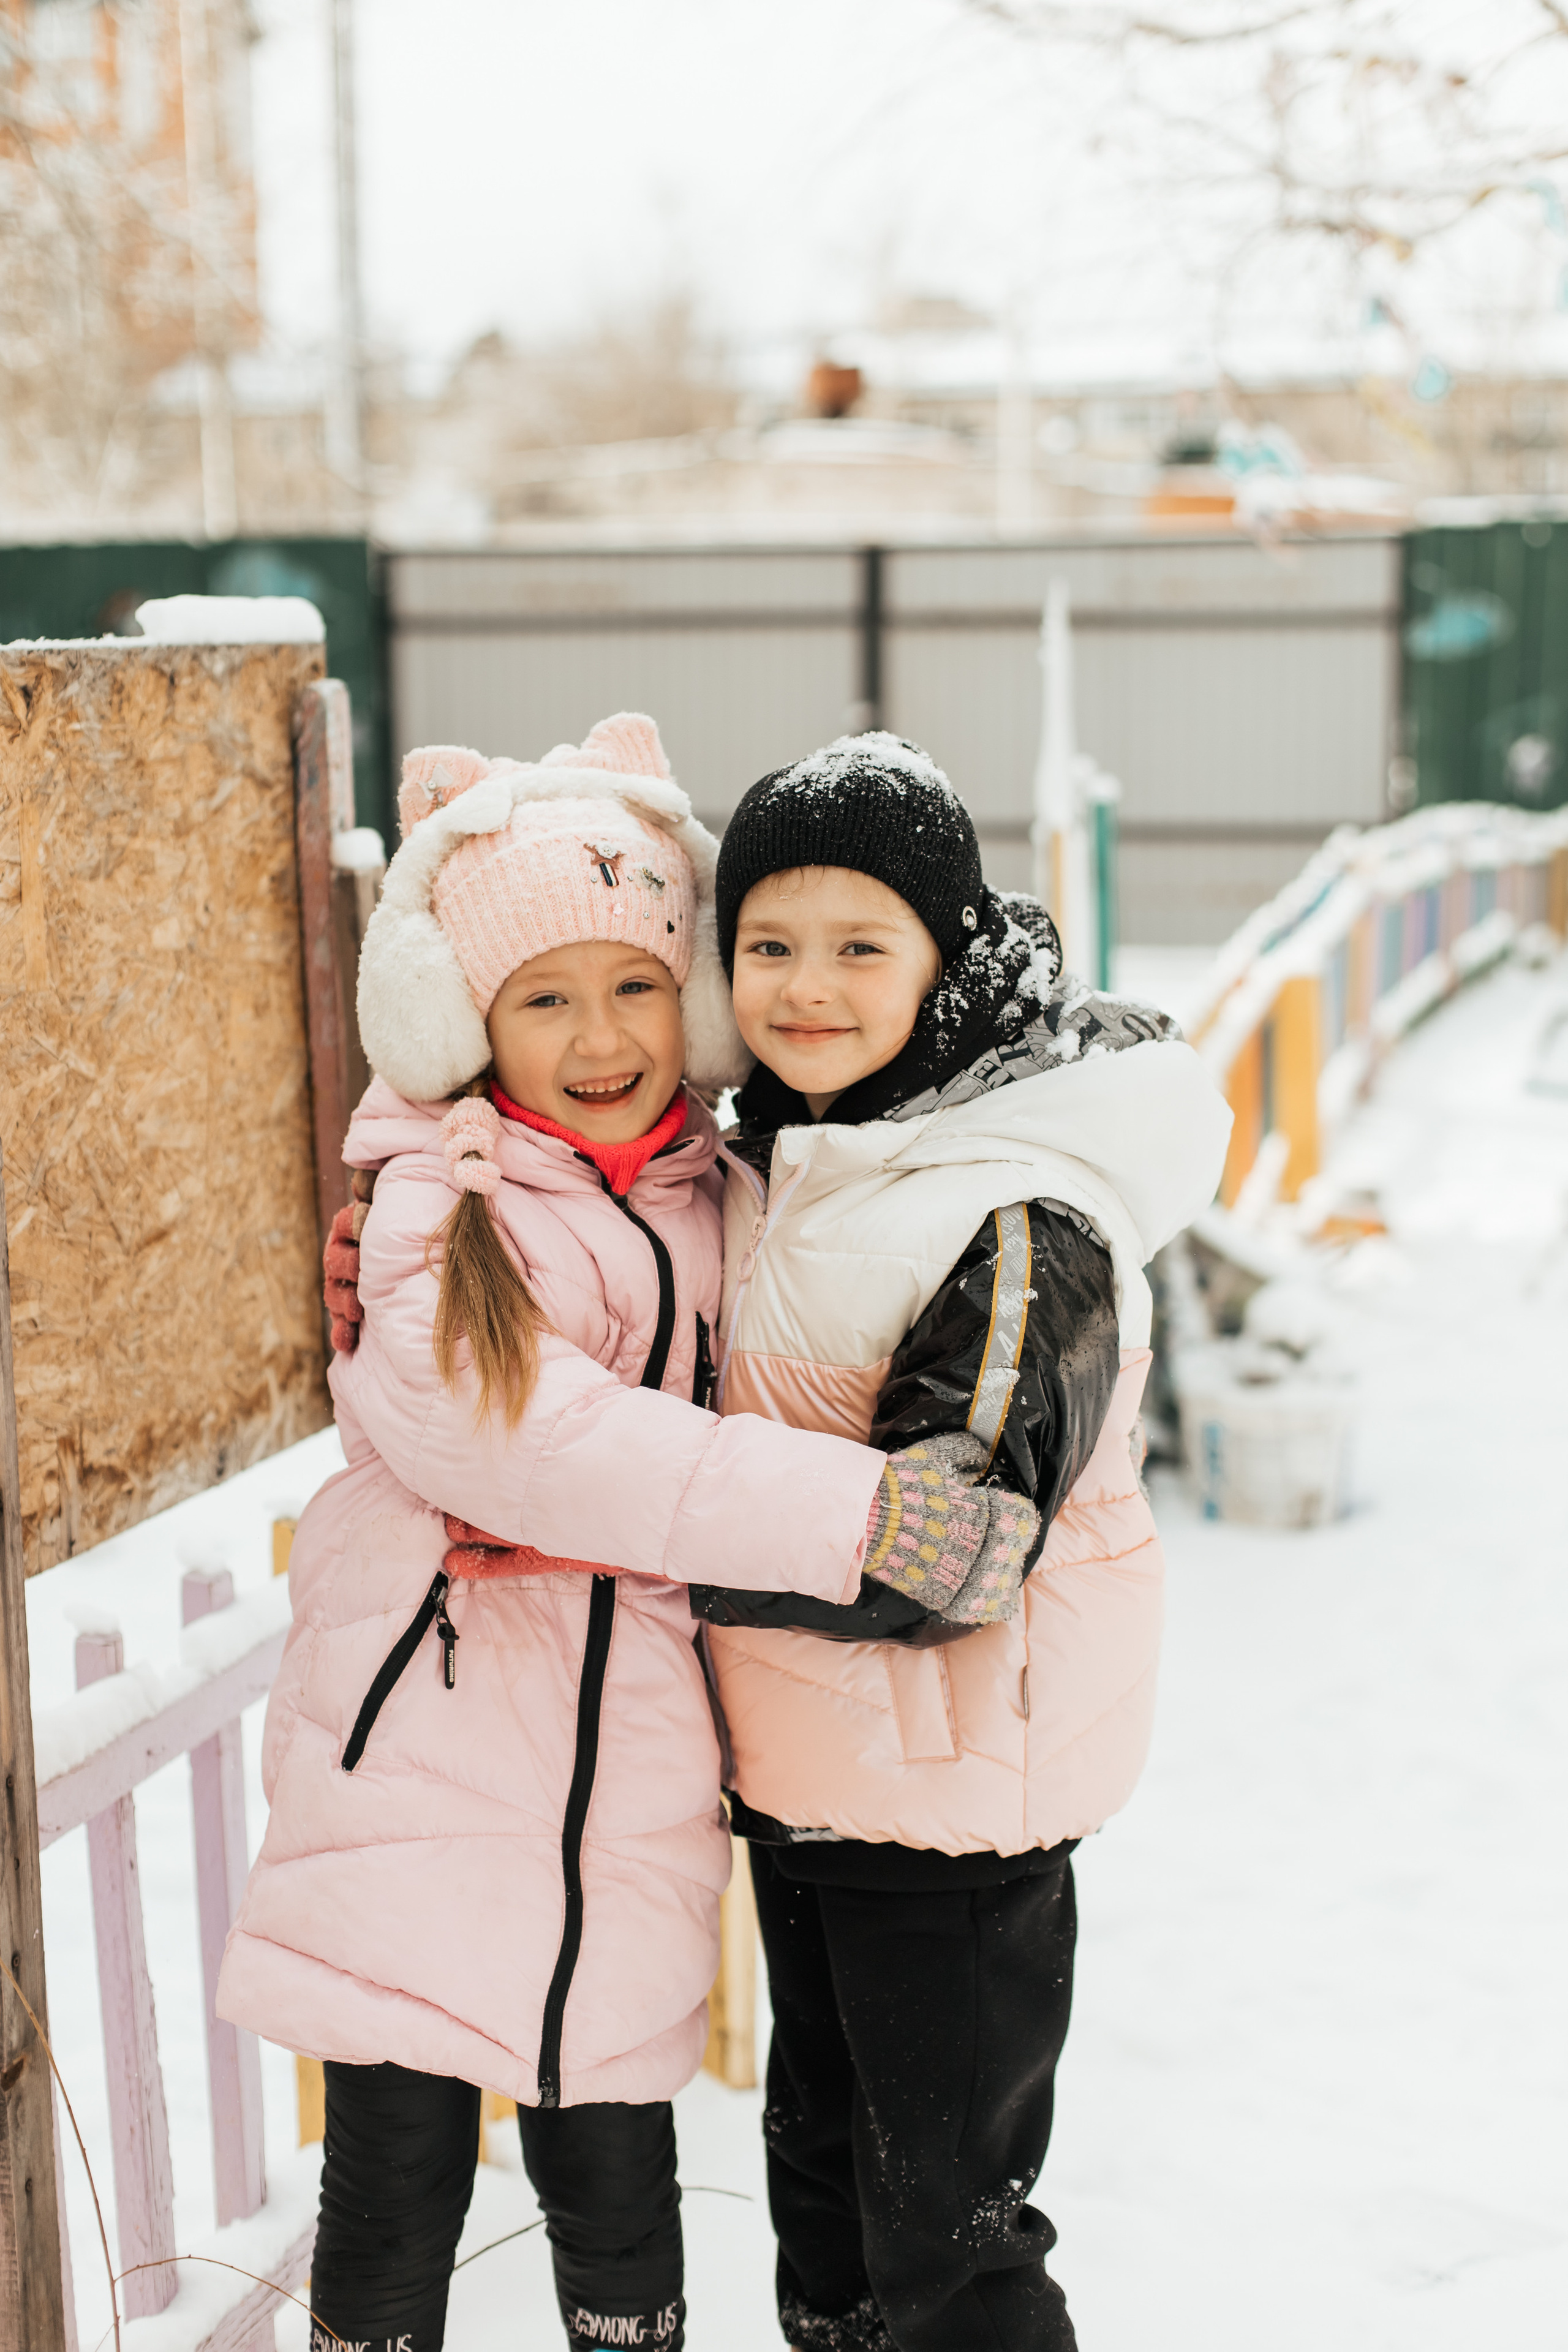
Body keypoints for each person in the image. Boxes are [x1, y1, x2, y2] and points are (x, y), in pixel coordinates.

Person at [219, 715, 1035, 2352]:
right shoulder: (443, 1204)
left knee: (617, 2177)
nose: (600, 1037)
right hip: (426, 1751)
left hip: (630, 1770)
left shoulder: (712, 1188)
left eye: (639, 985)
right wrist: (863, 1515)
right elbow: (544, 1447)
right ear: (467, 1018)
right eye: (543, 997)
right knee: (396, 2176)